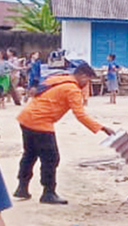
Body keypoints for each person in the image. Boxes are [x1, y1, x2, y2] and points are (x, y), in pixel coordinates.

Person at [14, 61, 115, 204]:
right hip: (41, 122)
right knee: (51, 158)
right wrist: (102, 128)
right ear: (81, 75)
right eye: (87, 80)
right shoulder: (72, 89)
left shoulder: (58, 78)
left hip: (26, 118)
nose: (87, 85)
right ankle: (48, 193)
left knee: (29, 154)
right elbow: (80, 115)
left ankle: (22, 188)